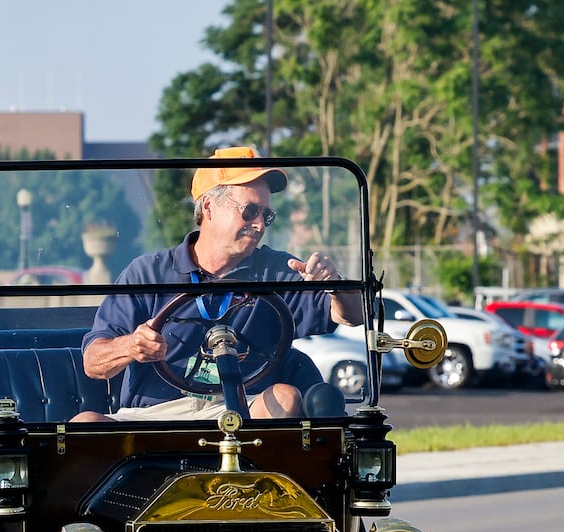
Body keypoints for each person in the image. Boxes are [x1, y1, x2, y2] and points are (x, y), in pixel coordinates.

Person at [77, 147, 364, 422]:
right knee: (84, 423)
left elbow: (351, 316)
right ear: (209, 207)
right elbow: (93, 362)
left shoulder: (276, 270)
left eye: (267, 215)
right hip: (156, 415)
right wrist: (132, 345)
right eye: (250, 211)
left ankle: (259, 475)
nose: (260, 225)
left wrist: (335, 286)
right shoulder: (148, 272)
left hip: (243, 412)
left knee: (286, 397)